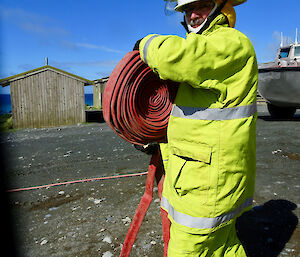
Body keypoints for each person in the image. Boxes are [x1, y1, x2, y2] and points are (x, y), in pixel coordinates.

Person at [136, 0, 258, 256]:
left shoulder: (231, 43)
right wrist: (156, 137)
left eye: (201, 5)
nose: (192, 15)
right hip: (206, 179)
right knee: (224, 247)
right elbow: (195, 118)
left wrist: (145, 44)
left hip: (206, 187)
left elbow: (179, 57)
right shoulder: (207, 57)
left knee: (187, 250)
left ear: (221, 7)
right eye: (187, 10)